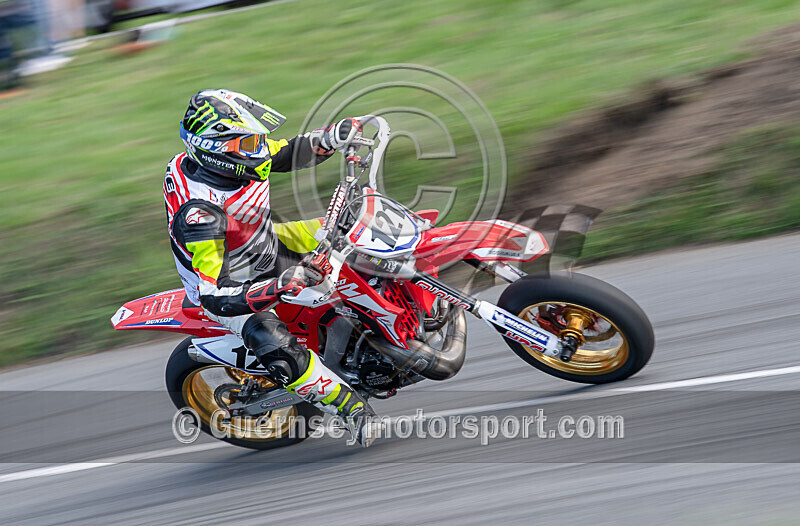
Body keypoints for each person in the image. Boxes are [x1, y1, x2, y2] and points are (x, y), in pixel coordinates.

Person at [164, 89, 379, 446]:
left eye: (256, 138)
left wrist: (330, 137)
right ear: (216, 151)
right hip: (230, 282)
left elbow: (283, 151)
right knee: (273, 342)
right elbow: (216, 295)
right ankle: (348, 407)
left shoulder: (231, 160)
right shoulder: (200, 214)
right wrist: (279, 285)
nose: (259, 148)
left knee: (360, 226)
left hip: (262, 240)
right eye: (248, 142)